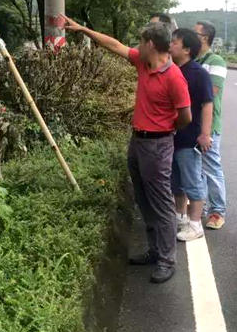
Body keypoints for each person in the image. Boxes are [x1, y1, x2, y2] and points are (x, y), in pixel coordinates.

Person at [61, 15, 191, 284]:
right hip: (138, 141)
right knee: (143, 198)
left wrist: (164, 128)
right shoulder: (143, 63)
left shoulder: (174, 77)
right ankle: (154, 251)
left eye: (141, 42)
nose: (136, 46)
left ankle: (167, 261)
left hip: (158, 144)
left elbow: (185, 116)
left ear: (151, 44)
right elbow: (115, 45)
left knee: (162, 204)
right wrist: (84, 29)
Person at [168, 28, 214, 242]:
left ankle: (196, 225)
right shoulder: (173, 70)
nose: (170, 45)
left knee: (192, 180)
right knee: (176, 181)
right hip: (172, 137)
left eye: (174, 42)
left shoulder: (198, 73)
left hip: (190, 138)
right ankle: (181, 217)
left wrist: (205, 134)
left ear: (187, 49)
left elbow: (207, 104)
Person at [194, 21, 227, 229]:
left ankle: (218, 211)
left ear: (205, 37)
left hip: (209, 125)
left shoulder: (216, 61)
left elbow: (211, 92)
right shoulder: (193, 60)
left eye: (195, 33)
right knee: (197, 169)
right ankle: (202, 207)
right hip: (192, 123)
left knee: (212, 167)